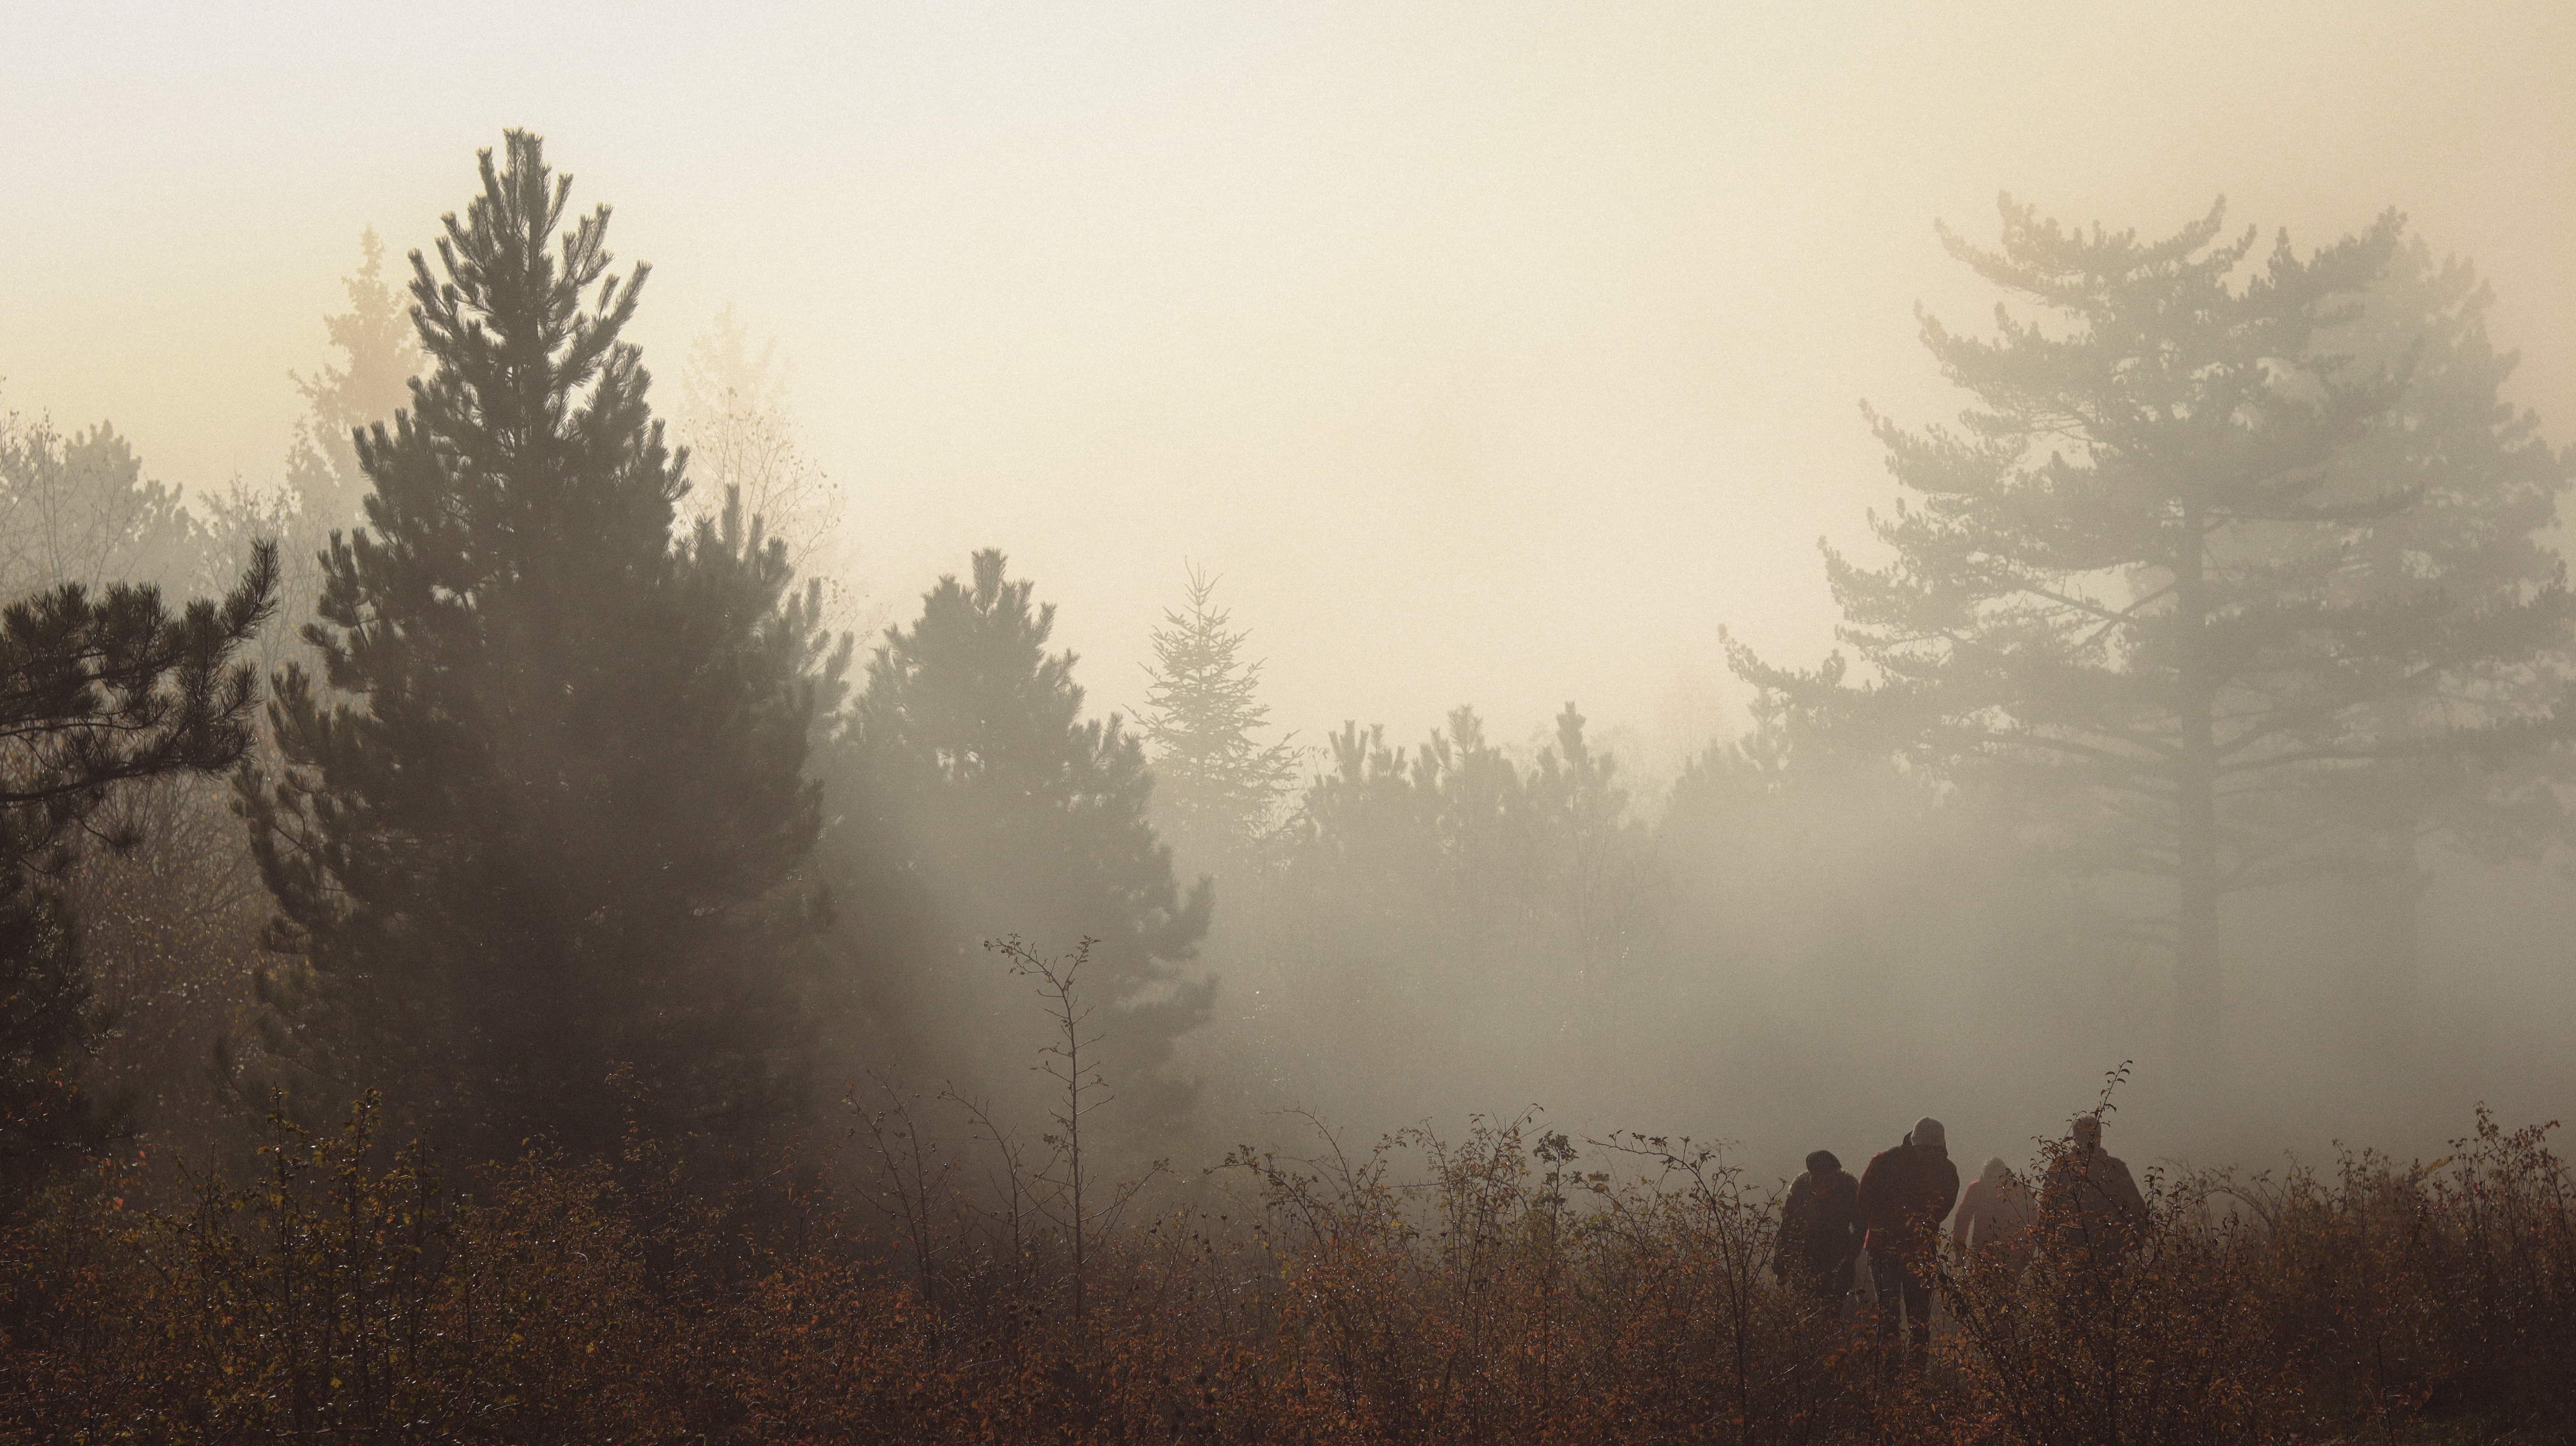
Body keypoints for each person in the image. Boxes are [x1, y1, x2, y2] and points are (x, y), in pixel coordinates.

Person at [1856, 1116, 1959, 1367]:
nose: (1930, 1154)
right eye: (1926, 1149)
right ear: (1914, 1144)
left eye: (1935, 1149)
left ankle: (1915, 1376)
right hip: (1886, 1249)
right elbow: (1864, 1201)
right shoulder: (1884, 1162)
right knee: (1889, 1315)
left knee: (1919, 1318)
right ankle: (1891, 1373)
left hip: (1919, 1251)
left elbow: (1945, 1206)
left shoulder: (1946, 1170)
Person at [2040, 1114, 2148, 1262]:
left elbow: (2047, 1214)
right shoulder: (2114, 1168)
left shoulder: (2061, 1169)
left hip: (2088, 1253)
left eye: (2094, 1134)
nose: (2091, 1138)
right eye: (2089, 1134)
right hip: (2100, 1252)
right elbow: (2139, 1210)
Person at [1774, 1149, 1862, 1311]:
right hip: (1808, 1256)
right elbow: (1787, 1229)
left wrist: (1850, 1255)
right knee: (1808, 1307)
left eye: (1828, 1180)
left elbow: (1861, 1226)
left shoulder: (1849, 1189)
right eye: (1819, 1180)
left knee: (1835, 1305)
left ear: (1835, 1177)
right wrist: (1781, 1266)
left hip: (1839, 1255)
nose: (1823, 1186)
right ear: (1812, 1179)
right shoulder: (1800, 1191)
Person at [1952, 1155, 2038, 1276]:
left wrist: (1959, 1250)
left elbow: (1962, 1218)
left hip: (2010, 1250)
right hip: (1991, 1250)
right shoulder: (2018, 1189)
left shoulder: (2017, 1189)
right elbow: (1962, 1218)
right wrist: (1959, 1249)